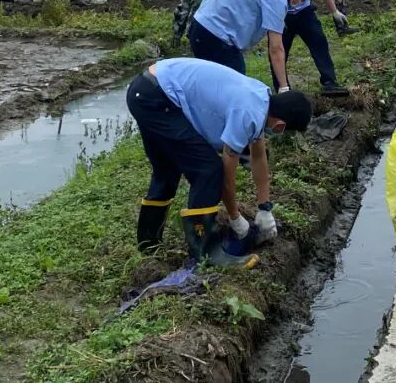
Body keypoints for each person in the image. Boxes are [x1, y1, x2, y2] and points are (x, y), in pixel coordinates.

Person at [128, 58, 312, 267]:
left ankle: (148, 244)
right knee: (209, 170)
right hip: (158, 98)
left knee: (166, 169)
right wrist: (236, 219)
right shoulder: (247, 113)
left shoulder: (261, 98)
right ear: (280, 126)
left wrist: (265, 207)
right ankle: (207, 254)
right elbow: (226, 174)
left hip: (147, 89)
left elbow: (259, 157)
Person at [189, 0, 313, 88]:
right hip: (215, 35)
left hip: (199, 26)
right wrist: (284, 86)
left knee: (212, 84)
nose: (297, 4)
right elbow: (276, 48)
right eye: (301, 1)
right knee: (235, 87)